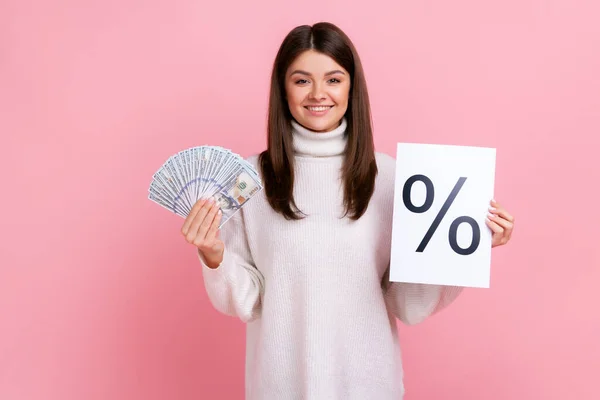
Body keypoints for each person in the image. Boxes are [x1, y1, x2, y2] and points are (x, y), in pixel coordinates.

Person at [180, 22, 515, 400]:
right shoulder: (248, 180)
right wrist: (214, 256)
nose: (318, 94)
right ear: (282, 89)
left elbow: (406, 302)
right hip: (281, 386)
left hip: (369, 386)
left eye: (334, 79)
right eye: (302, 80)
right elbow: (247, 301)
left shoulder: (390, 177)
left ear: (352, 87)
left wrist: (468, 249)